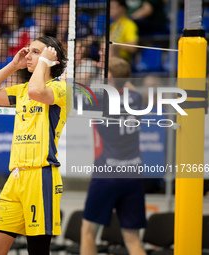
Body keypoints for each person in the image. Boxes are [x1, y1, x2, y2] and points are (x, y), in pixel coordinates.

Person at [0, 35, 70, 255]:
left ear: (51, 58)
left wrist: (44, 63)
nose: (28, 55)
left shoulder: (62, 90)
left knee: (37, 250)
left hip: (41, 175)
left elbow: (38, 91)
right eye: (29, 51)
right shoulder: (22, 91)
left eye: (36, 52)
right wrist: (12, 65)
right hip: (16, 176)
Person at [80, 57, 147, 255]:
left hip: (106, 175)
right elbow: (127, 83)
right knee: (133, 240)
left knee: (88, 233)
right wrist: (115, 71)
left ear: (109, 77)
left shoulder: (99, 100)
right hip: (133, 175)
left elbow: (75, 91)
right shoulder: (136, 99)